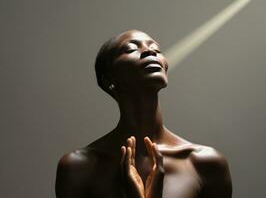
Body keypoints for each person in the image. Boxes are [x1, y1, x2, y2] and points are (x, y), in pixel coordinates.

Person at [55, 30, 232, 198]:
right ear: (109, 80)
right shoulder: (79, 167)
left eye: (156, 49)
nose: (149, 51)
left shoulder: (205, 163)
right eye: (131, 49)